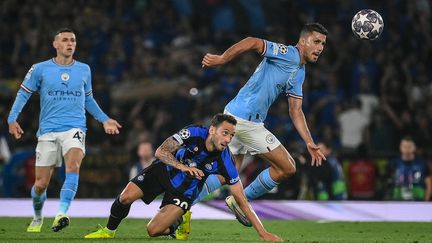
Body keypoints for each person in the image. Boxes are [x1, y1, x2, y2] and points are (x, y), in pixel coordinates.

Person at [198, 23, 327, 224]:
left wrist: (309, 142)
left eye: (323, 44)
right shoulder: (289, 54)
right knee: (288, 167)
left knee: (226, 173)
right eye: (316, 41)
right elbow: (252, 42)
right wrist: (222, 59)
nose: (320, 48)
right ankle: (241, 201)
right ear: (303, 41)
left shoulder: (299, 71)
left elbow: (296, 110)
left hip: (236, 115)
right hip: (245, 121)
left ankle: (182, 204)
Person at [84, 114, 282, 242]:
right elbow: (161, 151)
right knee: (125, 197)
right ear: (212, 130)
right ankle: (108, 231)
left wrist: (262, 232)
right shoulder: (194, 132)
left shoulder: (225, 162)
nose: (228, 139)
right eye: (225, 133)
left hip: (185, 190)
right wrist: (182, 167)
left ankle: (179, 220)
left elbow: (242, 200)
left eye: (231, 135)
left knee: (153, 231)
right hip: (165, 170)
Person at [7, 28, 122, 232]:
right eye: (65, 40)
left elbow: (88, 98)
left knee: (73, 166)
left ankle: (61, 213)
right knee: (41, 184)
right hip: (48, 131)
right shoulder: (39, 69)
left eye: (73, 40)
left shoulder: (84, 69)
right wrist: (12, 119)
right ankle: (37, 216)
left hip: (75, 128)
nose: (70, 43)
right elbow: (23, 94)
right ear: (55, 44)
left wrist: (104, 119)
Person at [390, 137, 427, 201]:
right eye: (404, 146)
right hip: (397, 203)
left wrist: (425, 202)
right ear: (400, 147)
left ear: (414, 147)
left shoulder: (422, 164)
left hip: (418, 203)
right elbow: (389, 184)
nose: (407, 149)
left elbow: (429, 184)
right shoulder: (393, 163)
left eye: (409, 146)